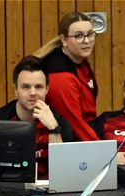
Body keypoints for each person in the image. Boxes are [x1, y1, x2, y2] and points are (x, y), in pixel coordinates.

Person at [0, 55, 72, 180]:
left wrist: (53, 130)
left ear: (47, 89)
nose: (33, 93)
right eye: (26, 87)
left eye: (39, 87)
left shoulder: (60, 123)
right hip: (6, 191)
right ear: (15, 90)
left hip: (49, 194)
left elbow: (64, 175)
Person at [35, 11, 99, 142]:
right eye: (79, 36)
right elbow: (74, 125)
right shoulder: (61, 76)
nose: (87, 41)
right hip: (66, 141)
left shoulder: (80, 60)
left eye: (90, 34)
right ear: (64, 40)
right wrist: (107, 152)